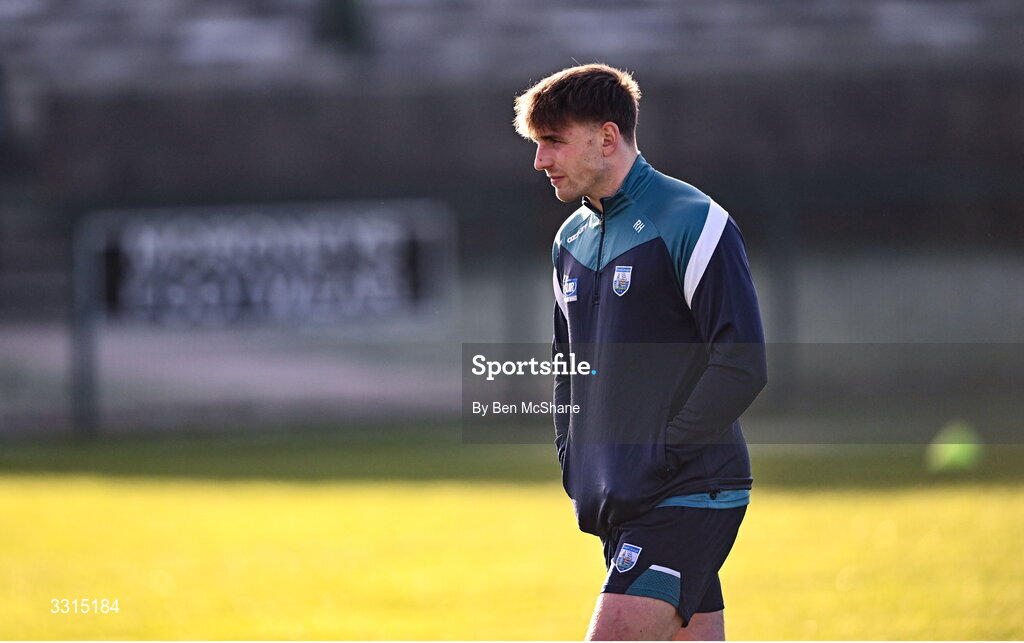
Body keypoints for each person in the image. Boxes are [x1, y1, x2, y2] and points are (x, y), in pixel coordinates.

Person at [513, 64, 768, 641]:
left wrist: (661, 452)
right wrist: (574, 456)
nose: (540, 161)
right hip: (619, 498)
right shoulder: (569, 240)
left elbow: (742, 362)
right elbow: (566, 368)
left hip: (688, 490)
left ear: (606, 137)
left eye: (553, 141)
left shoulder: (695, 223)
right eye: (537, 144)